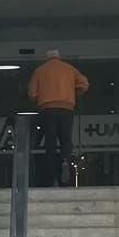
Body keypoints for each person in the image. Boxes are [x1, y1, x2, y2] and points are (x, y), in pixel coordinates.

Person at [26, 47, 89, 187]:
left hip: (47, 110)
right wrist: (74, 94)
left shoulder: (40, 70)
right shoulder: (69, 69)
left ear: (47, 58)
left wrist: (38, 100)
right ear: (59, 57)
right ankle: (65, 160)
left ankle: (51, 172)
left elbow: (31, 93)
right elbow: (84, 84)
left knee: (50, 141)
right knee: (66, 139)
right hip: (66, 108)